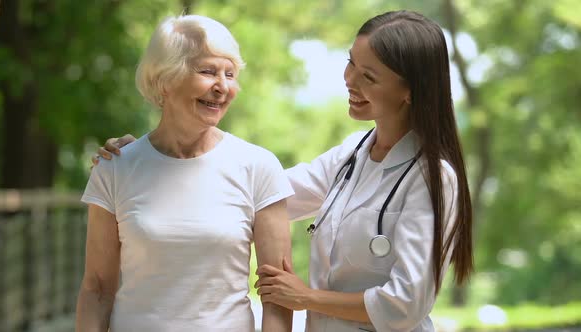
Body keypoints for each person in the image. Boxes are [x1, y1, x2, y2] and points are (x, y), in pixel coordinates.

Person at [94, 10, 473, 332]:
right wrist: (149, 158)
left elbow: (405, 303)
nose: (349, 80)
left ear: (409, 91)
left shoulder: (432, 178)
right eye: (351, 64)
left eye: (368, 77)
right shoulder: (349, 157)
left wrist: (305, 297)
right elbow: (242, 193)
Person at [76, 15, 293, 332]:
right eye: (208, 71)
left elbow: (277, 296)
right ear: (164, 79)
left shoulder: (258, 166)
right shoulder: (115, 167)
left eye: (230, 74)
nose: (222, 87)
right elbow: (96, 289)